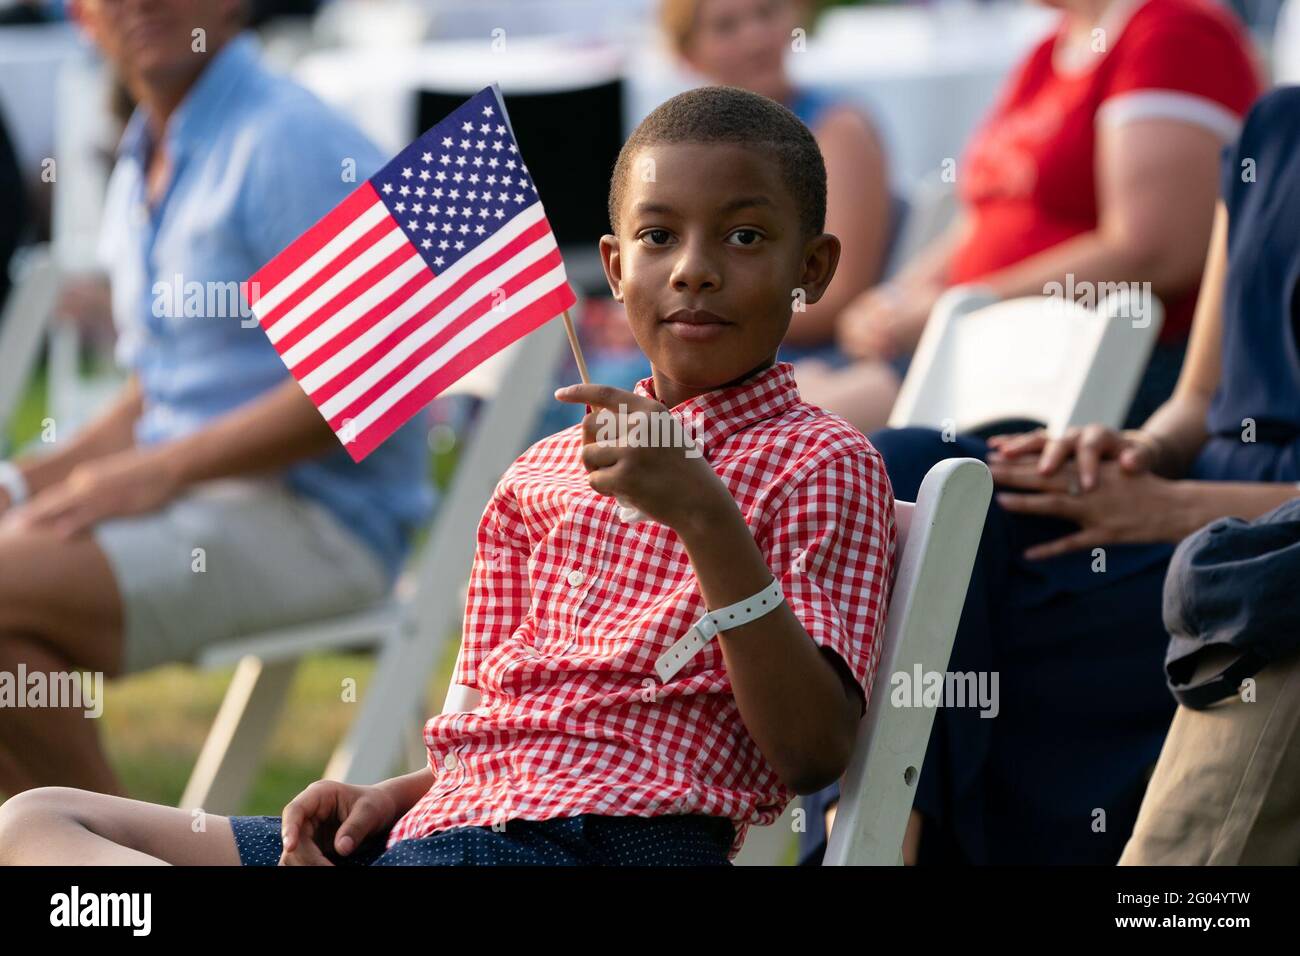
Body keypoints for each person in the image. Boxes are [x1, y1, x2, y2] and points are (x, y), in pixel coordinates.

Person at [0, 86, 897, 866]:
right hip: (456, 827)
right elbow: (511, 726)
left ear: (809, 269)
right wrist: (393, 797)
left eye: (744, 236)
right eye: (659, 237)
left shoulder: (820, 461)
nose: (694, 269)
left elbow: (811, 751)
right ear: (616, 269)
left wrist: (706, 518)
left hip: (614, 839)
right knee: (40, 824)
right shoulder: (540, 477)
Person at [803, 84, 1300, 866]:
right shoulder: (1274, 125)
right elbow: (1199, 398)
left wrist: (1170, 506)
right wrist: (1125, 450)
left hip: (1261, 545)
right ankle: (863, 835)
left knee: (975, 594)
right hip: (1184, 492)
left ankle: (875, 849)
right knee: (912, 467)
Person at [0, 0, 432, 796]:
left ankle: (116, 864)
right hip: (207, 499)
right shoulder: (147, 145)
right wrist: (25, 483)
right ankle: (93, 865)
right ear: (82, 17)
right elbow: (162, 391)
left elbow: (372, 382)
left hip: (320, 520)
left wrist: (161, 471)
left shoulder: (288, 140)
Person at [798, 0, 1260, 433]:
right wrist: (895, 301)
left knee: (789, 437)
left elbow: (1153, 253)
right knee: (771, 409)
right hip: (980, 347)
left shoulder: (1174, 33)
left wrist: (956, 312)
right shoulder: (1050, 50)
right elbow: (987, 213)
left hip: (1073, 370)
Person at [660, 0, 893, 361]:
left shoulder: (837, 131)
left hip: (799, 359)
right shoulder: (686, 144)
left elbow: (836, 297)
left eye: (766, 13)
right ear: (688, 53)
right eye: (726, 27)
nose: (755, 38)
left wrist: (686, 315)